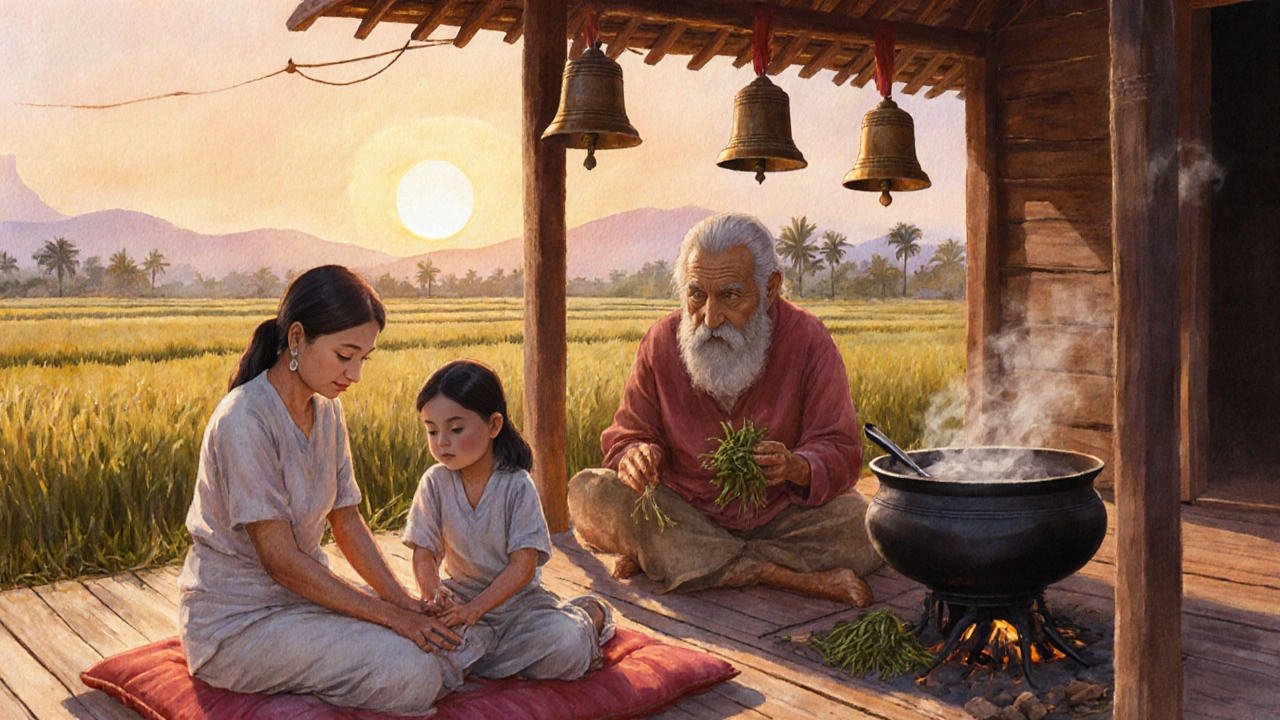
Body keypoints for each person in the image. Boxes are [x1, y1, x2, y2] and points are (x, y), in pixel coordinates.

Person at [177, 265, 482, 715]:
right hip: (237, 625)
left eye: (364, 358)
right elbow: (280, 561)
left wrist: (403, 602)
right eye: (345, 355)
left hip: (305, 604)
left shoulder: (327, 412)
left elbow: (347, 520)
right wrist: (390, 617)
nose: (355, 374)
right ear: (296, 338)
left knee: (452, 641)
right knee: (413, 671)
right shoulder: (244, 420)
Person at [568, 213, 883, 607]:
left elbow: (840, 450)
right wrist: (635, 455)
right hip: (684, 512)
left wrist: (794, 466)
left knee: (868, 528)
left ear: (770, 289)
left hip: (780, 519)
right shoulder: (660, 343)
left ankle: (674, 560)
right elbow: (627, 435)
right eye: (697, 295)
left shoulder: (809, 340)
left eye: (730, 296)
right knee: (588, 492)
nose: (711, 318)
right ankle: (781, 575)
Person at [404, 359, 615, 682]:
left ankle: (587, 617)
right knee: (424, 649)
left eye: (456, 429)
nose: (442, 441)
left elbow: (523, 566)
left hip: (519, 608)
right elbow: (424, 552)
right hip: (460, 601)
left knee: (566, 644)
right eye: (432, 430)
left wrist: (476, 610)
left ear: (493, 426)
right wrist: (433, 595)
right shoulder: (435, 482)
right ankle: (490, 657)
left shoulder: (516, 485)